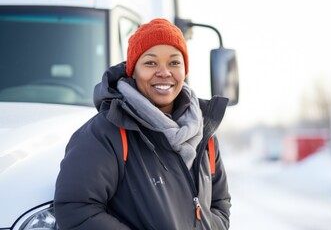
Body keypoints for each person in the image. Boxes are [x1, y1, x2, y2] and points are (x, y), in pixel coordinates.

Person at [54, 18, 231, 230]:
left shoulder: (204, 133)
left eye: (174, 62)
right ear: (133, 70)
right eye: (150, 62)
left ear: (185, 70)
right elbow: (76, 208)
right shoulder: (107, 132)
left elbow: (220, 204)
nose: (164, 72)